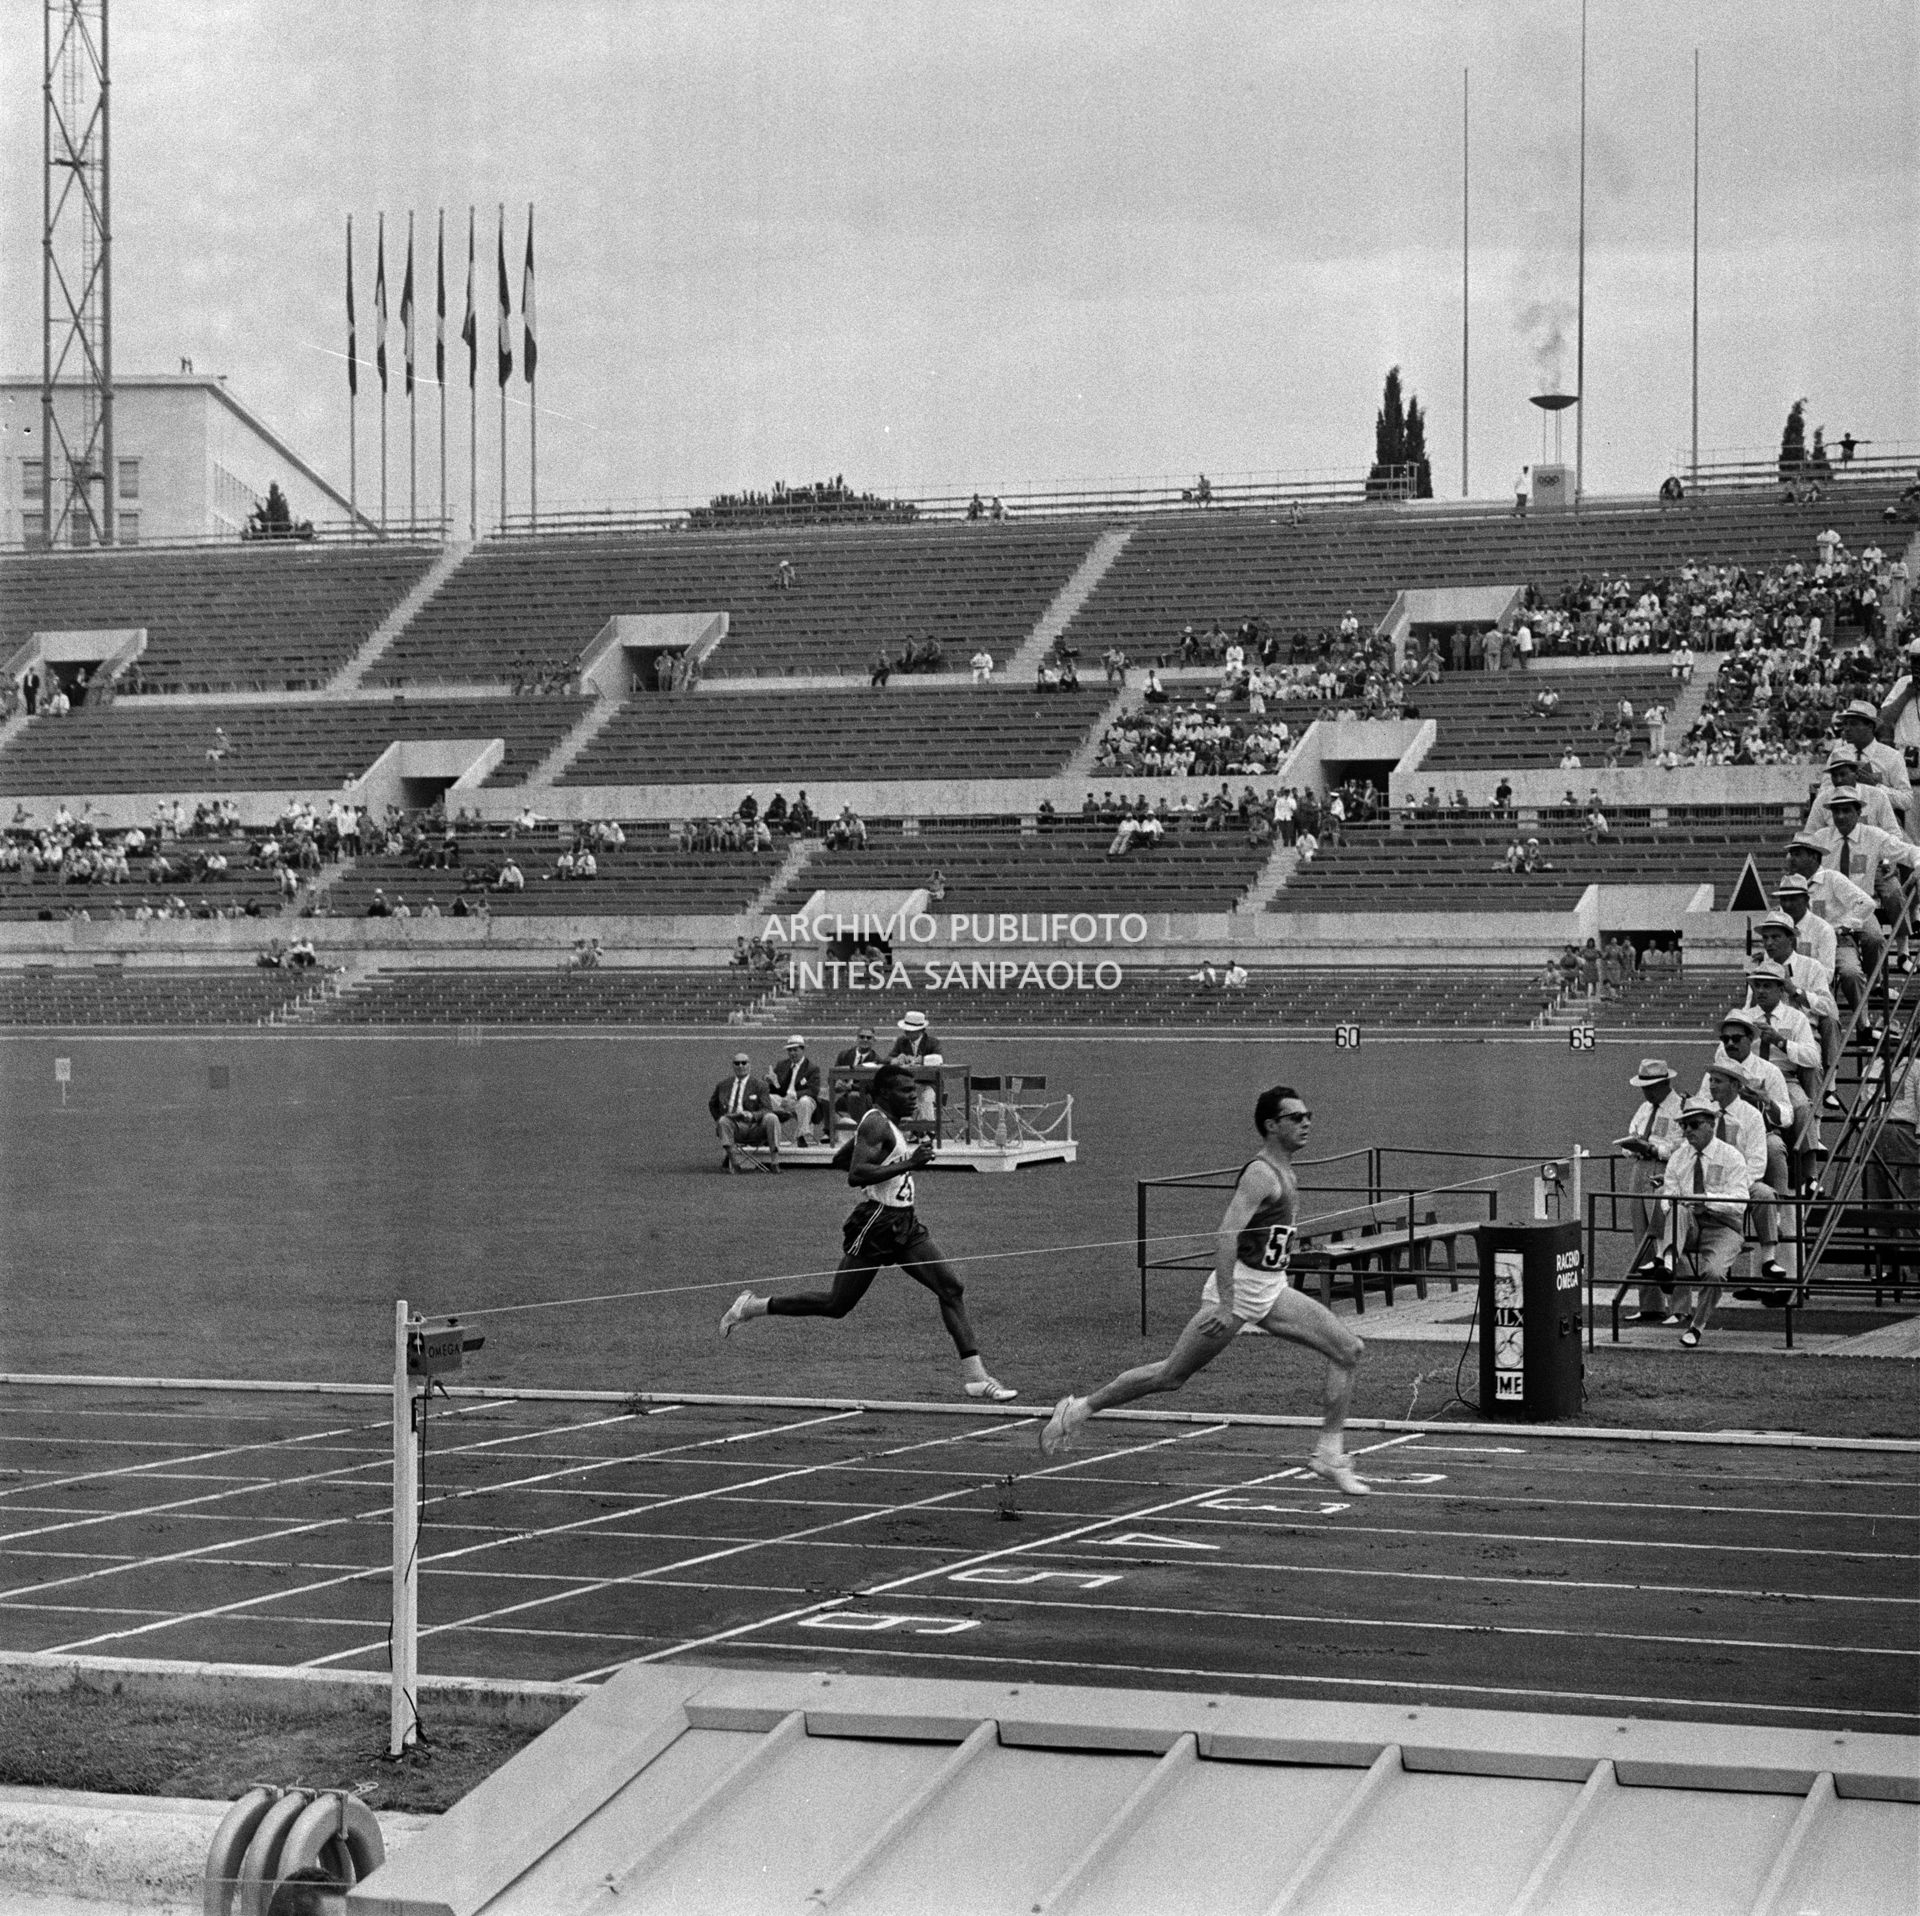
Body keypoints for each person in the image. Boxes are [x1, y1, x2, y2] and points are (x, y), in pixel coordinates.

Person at [1038, 1086, 1368, 1492]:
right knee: (1170, 1375)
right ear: (1271, 1125)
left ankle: (1329, 1456)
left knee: (1348, 1350)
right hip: (1240, 1291)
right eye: (1296, 1117)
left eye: (1308, 1116)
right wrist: (1227, 1303)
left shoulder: (1287, 1171)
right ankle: (1078, 1410)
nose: (1306, 1123)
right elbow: (1226, 1235)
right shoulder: (1261, 1173)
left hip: (1271, 1288)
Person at [720, 1062, 1017, 1401]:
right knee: (836, 1304)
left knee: (951, 1287)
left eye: (914, 1090)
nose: (913, 1097)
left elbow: (842, 1161)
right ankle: (752, 1307)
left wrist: (871, 1155)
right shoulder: (877, 1123)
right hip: (877, 1222)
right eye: (905, 1091)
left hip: (904, 1222)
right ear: (884, 1094)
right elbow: (856, 1174)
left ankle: (976, 1376)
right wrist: (910, 1163)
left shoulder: (881, 1123)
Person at [1634, 1097, 1760, 1348]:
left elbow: (1740, 1202)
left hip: (1723, 1226)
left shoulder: (1732, 1156)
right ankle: (1667, 1263)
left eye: (1694, 1124)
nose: (1687, 1131)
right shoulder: (1679, 1158)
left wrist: (1706, 1200)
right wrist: (1677, 1204)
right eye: (1684, 1126)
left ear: (1711, 1124)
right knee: (1675, 1204)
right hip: (1688, 1224)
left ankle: (1696, 1326)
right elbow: (1668, 1197)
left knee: (1714, 1273)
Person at [1616, 1058, 1685, 1323]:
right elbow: (1631, 1134)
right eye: (1644, 1087)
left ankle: (1679, 1306)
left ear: (1665, 1083)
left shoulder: (1681, 1107)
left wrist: (1655, 1149)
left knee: (1669, 1236)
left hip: (1666, 1171)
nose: (1646, 1092)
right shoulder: (1645, 1108)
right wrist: (1634, 1146)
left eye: (1651, 1087)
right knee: (1642, 1237)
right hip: (1640, 1170)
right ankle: (1650, 1305)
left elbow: (1682, 1146)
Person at [709, 1050, 780, 1172]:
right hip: (733, 1125)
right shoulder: (723, 1085)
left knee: (772, 1118)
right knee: (723, 1121)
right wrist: (719, 1119)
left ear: (749, 1065)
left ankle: (775, 1162)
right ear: (733, 1065)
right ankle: (734, 1164)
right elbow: (712, 1104)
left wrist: (752, 1115)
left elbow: (767, 1109)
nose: (740, 1066)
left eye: (744, 1063)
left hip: (755, 1126)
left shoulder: (760, 1085)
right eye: (737, 1063)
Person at [767, 1035, 822, 1145]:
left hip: (799, 1101)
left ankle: (802, 1136)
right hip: (783, 1101)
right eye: (790, 1050)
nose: (792, 1053)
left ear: (803, 1050)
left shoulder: (812, 1068)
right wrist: (772, 1082)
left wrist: (793, 1096)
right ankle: (767, 1135)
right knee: (766, 1098)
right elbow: (777, 1089)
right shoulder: (782, 1065)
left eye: (795, 1050)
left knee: (805, 1101)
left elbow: (813, 1091)